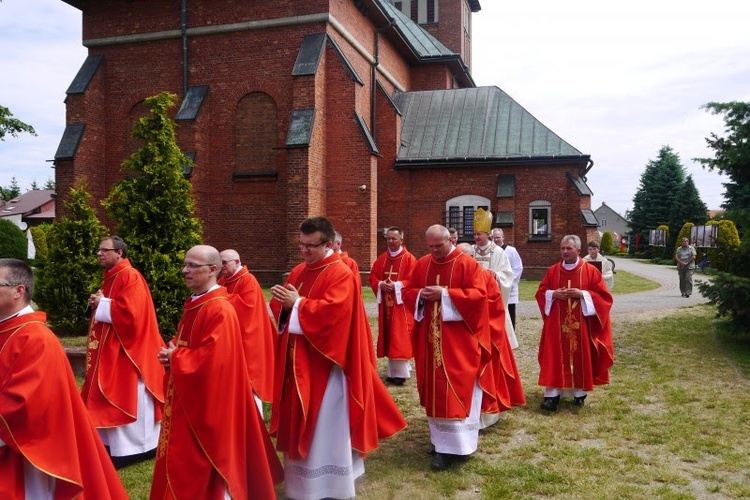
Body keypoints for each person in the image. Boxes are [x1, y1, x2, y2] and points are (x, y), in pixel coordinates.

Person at [270, 217, 406, 499]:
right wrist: (285, 305)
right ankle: (301, 486)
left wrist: (296, 305)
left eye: (311, 246)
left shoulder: (341, 273)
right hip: (297, 362)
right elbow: (284, 306)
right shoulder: (299, 271)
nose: (304, 251)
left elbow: (335, 315)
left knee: (324, 425)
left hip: (327, 365)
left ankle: (329, 484)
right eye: (302, 245)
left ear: (329, 244)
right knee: (300, 420)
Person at [150, 245, 282, 499]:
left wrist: (176, 357)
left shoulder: (219, 309)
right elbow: (186, 343)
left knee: (207, 462)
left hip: (211, 404)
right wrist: (172, 354)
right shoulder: (197, 303)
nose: (185, 271)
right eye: (185, 264)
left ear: (212, 270)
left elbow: (214, 360)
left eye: (192, 266)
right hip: (189, 396)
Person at [0, 258, 129, 499]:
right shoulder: (9, 329)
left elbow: (24, 406)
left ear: (19, 291)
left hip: (29, 456)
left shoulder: (35, 339)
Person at [402, 225, 494, 471]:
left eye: (438, 246)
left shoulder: (467, 264)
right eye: (430, 247)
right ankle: (440, 444)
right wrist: (421, 294)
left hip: (459, 343)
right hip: (430, 341)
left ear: (449, 240)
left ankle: (460, 447)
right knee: (435, 391)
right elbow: (408, 290)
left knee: (457, 389)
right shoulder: (422, 264)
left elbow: (478, 297)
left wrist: (445, 294)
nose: (434, 251)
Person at [82, 235, 165, 466]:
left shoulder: (130, 276)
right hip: (111, 348)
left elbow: (133, 315)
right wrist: (95, 303)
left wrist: (102, 304)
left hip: (130, 351)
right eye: (98, 250)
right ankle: (111, 445)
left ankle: (137, 448)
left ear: (119, 253)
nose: (99, 253)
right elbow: (110, 306)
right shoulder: (111, 277)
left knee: (129, 392)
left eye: (104, 250)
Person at [536, 235, 614, 411]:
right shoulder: (553, 270)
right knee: (555, 356)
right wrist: (552, 294)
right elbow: (541, 291)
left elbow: (604, 298)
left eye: (569, 249)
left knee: (580, 354)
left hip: (581, 325)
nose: (564, 252)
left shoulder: (590, 271)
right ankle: (552, 396)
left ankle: (579, 393)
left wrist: (584, 295)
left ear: (578, 251)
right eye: (563, 248)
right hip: (556, 325)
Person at [457, 243, 526, 429]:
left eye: (464, 257)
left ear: (472, 257)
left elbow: (495, 304)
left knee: (484, 374)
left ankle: (486, 415)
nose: (460, 261)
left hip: (485, 332)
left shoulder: (485, 275)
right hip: (460, 336)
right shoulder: (454, 276)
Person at [218, 248, 276, 416]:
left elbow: (248, 309)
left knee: (248, 381)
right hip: (230, 338)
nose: (222, 266)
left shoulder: (248, 280)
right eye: (220, 263)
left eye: (225, 263)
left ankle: (255, 418)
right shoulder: (223, 281)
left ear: (237, 262)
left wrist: (222, 297)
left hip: (249, 338)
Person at [368, 226, 417, 386]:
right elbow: (373, 277)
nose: (390, 241)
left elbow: (413, 280)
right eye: (388, 238)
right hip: (387, 305)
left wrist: (396, 285)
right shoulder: (382, 258)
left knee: (399, 336)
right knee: (389, 335)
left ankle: (401, 373)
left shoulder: (409, 259)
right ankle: (393, 371)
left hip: (401, 305)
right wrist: (381, 284)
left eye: (393, 238)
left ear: (401, 240)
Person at [468, 209, 518, 349]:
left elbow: (508, 275)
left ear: (487, 234)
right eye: (475, 234)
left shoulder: (497, 251)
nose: (476, 237)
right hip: (475, 299)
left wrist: (495, 275)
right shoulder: (470, 250)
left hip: (492, 298)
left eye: (479, 234)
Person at [492, 227, 523, 329]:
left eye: (498, 237)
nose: (496, 240)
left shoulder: (511, 251)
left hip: (508, 287)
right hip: (494, 286)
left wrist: (507, 281)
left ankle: (511, 336)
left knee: (509, 312)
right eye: (493, 238)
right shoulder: (490, 251)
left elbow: (517, 268)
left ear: (503, 237)